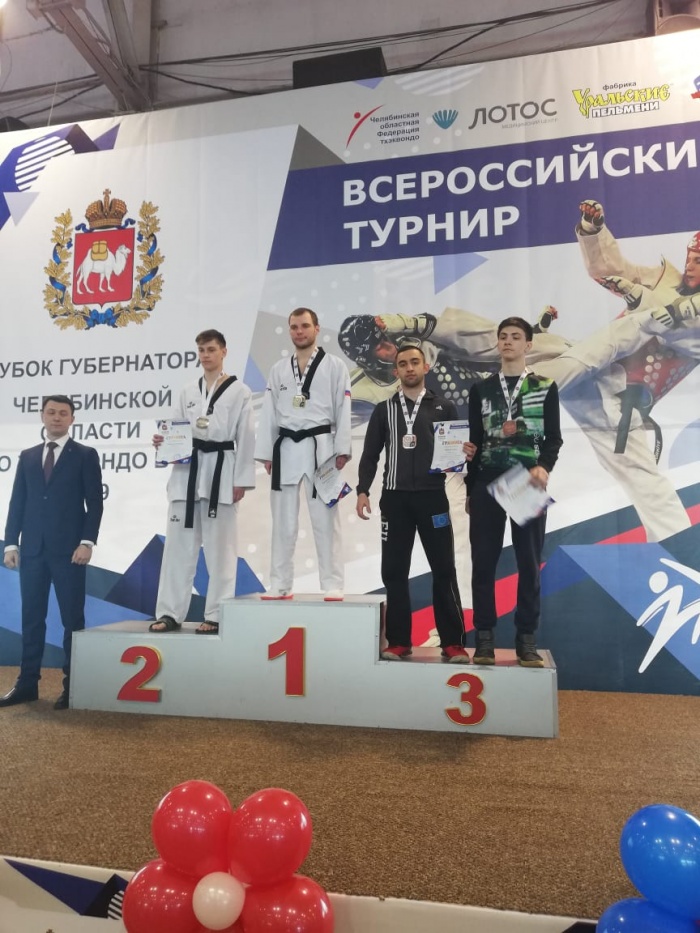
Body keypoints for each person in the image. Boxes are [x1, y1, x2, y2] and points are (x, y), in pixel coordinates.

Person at [356, 342, 471, 663]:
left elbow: (455, 457)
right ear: (396, 371)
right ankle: (399, 642)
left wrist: (465, 461)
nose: (409, 368)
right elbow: (370, 455)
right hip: (394, 500)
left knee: (444, 569)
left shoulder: (444, 407)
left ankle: (453, 642)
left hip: (433, 498)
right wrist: (363, 490)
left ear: (425, 367)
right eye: (403, 363)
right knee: (394, 572)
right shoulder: (384, 410)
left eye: (414, 362)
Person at [466, 317, 563, 668]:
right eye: (503, 336)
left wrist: (544, 466)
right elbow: (474, 442)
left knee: (529, 564)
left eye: (516, 337)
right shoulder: (481, 389)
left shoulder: (544, 386)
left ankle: (526, 640)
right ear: (497, 343)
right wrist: (469, 486)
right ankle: (484, 639)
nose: (508, 341)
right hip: (487, 481)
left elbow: (554, 438)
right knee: (483, 564)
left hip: (525, 481)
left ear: (528, 345)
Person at [150, 329, 255, 634]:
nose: (205, 355)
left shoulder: (240, 391)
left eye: (211, 349)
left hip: (221, 472)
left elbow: (247, 438)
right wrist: (164, 443)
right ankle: (169, 613)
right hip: (187, 474)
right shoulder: (187, 391)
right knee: (177, 550)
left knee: (221, 551)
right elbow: (177, 432)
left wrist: (241, 481)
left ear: (224, 351)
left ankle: (217, 613)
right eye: (201, 350)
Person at [1, 395, 103, 709]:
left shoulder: (85, 455)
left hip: (70, 552)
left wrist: (87, 542)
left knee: (73, 619)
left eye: (63, 413)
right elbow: (17, 501)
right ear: (42, 416)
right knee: (32, 618)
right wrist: (11, 543)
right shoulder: (28, 456)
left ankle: (73, 687)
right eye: (51, 412)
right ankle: (27, 685)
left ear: (72, 419)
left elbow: (95, 503)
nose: (56, 417)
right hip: (32, 550)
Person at [256, 307, 352, 600]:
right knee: (283, 522)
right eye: (294, 327)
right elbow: (269, 412)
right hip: (286, 447)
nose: (299, 331)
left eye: (305, 326)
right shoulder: (278, 369)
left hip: (320, 447)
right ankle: (280, 583)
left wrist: (342, 449)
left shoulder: (335, 366)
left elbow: (344, 408)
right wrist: (267, 453)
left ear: (317, 328)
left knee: (325, 520)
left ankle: (333, 583)